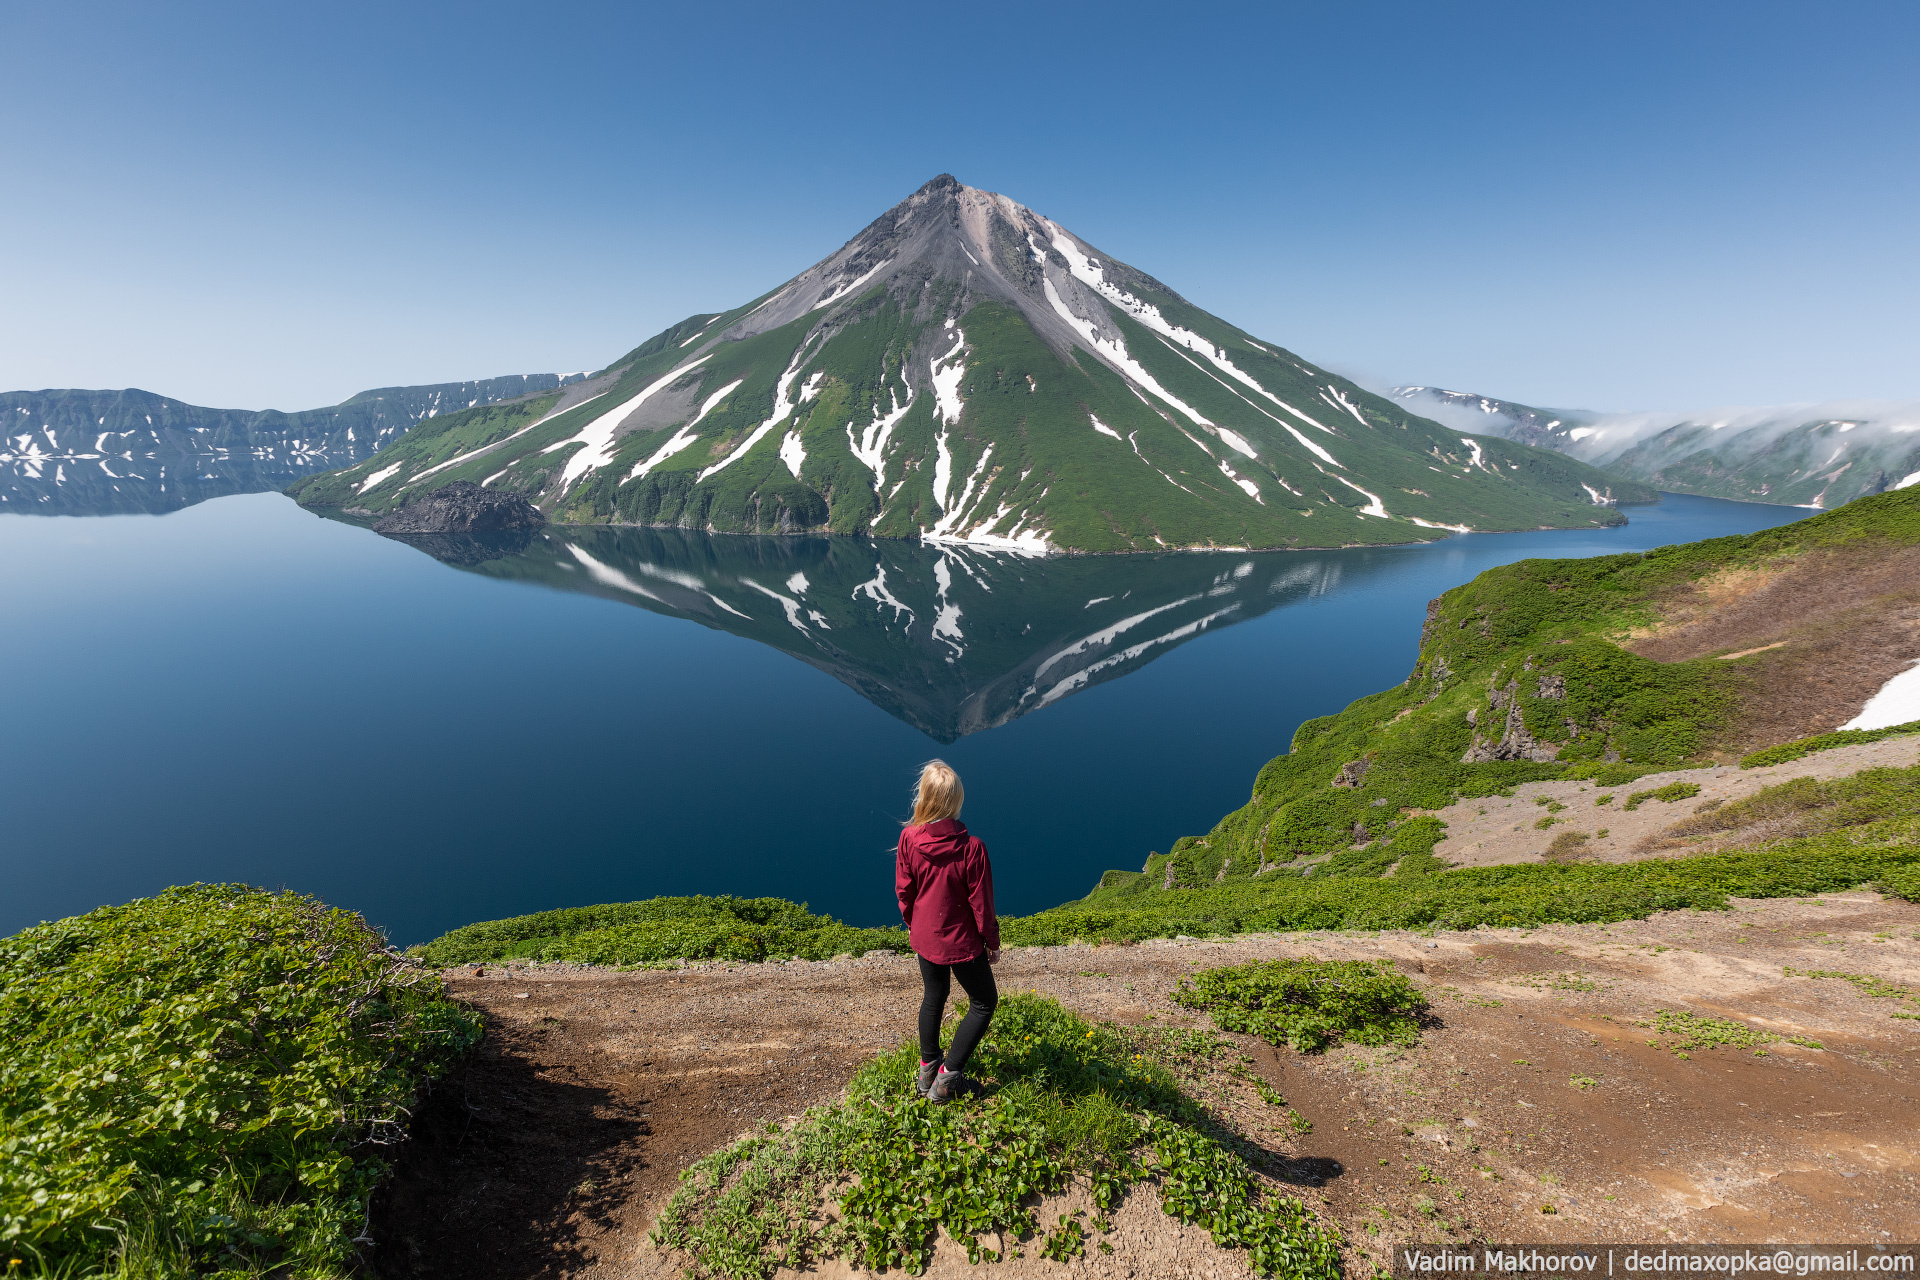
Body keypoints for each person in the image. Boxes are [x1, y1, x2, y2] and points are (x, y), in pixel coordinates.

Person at [895, 759, 999, 1103]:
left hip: (925, 938)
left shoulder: (909, 837)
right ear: (955, 801)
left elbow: (904, 891)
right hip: (962, 944)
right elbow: (982, 907)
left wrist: (916, 924)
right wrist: (992, 944)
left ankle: (927, 1070)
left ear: (923, 798)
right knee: (984, 1002)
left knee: (934, 996)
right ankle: (947, 1079)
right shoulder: (971, 849)